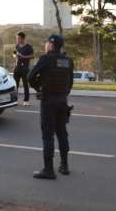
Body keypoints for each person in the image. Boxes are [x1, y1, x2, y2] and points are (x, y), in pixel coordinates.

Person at [28, 35, 74, 180]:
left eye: (47, 42)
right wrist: (63, 93)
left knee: (48, 135)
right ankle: (64, 166)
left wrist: (39, 88)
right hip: (62, 100)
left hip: (48, 100)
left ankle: (48, 170)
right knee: (62, 132)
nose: (46, 45)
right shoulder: (68, 60)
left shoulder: (46, 59)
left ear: (51, 45)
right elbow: (70, 82)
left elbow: (30, 76)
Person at [13, 32, 34, 106]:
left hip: (25, 68)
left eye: (18, 38)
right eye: (16, 38)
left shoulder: (28, 46)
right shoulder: (17, 45)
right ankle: (15, 100)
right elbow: (14, 53)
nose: (17, 40)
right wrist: (15, 56)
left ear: (23, 38)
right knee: (15, 85)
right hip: (17, 68)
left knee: (25, 84)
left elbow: (32, 56)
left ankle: (26, 100)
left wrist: (23, 57)